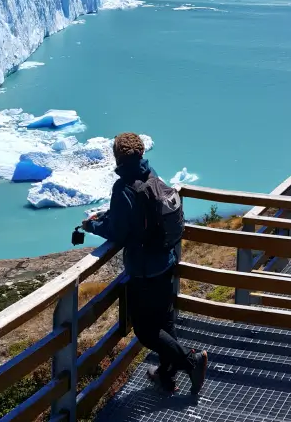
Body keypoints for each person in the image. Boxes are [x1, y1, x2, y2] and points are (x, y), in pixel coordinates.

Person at [83, 132, 208, 395]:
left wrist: (93, 225)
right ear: (140, 153)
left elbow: (118, 230)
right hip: (166, 260)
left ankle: (190, 361)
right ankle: (166, 374)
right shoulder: (152, 177)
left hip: (145, 270)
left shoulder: (123, 188)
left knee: (144, 329)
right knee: (165, 321)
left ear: (118, 157)